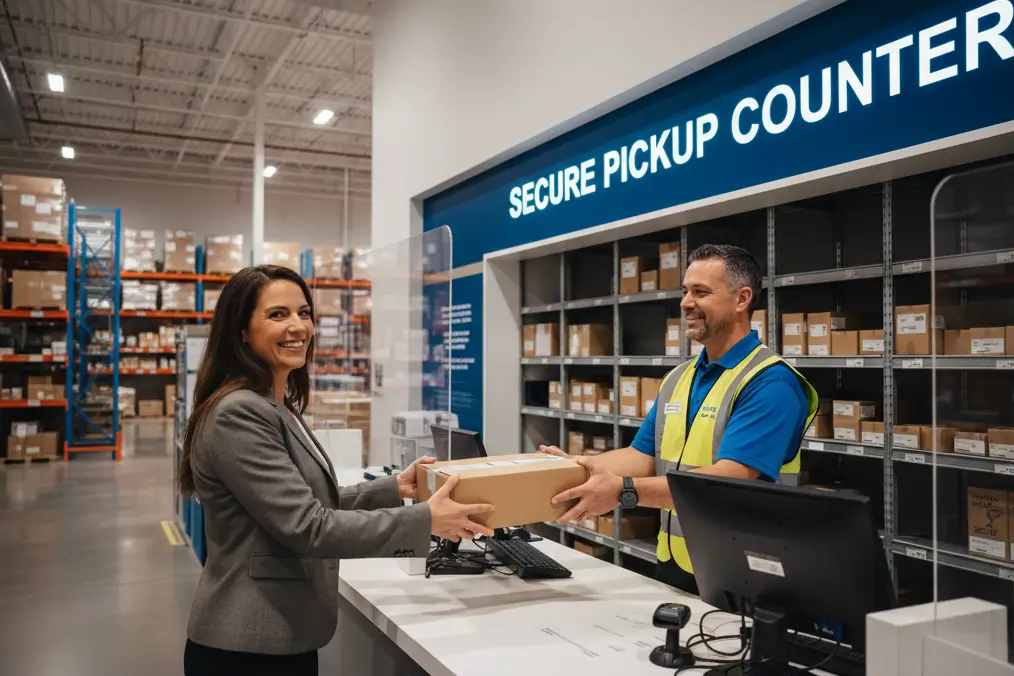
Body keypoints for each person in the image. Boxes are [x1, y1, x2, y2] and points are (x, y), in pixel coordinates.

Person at [177, 264, 493, 676]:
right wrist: (426, 520)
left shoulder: (276, 404)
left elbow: (303, 501)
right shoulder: (239, 412)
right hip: (248, 646)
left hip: (281, 637)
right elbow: (308, 527)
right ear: (241, 331)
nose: (297, 326)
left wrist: (396, 488)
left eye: (304, 313)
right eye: (277, 315)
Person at [541, 244, 818, 595]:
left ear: (742, 299)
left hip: (747, 572)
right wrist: (578, 467)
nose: (687, 302)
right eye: (685, 291)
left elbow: (729, 480)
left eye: (701, 292)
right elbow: (643, 456)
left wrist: (625, 492)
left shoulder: (770, 383)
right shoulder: (680, 377)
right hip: (679, 563)